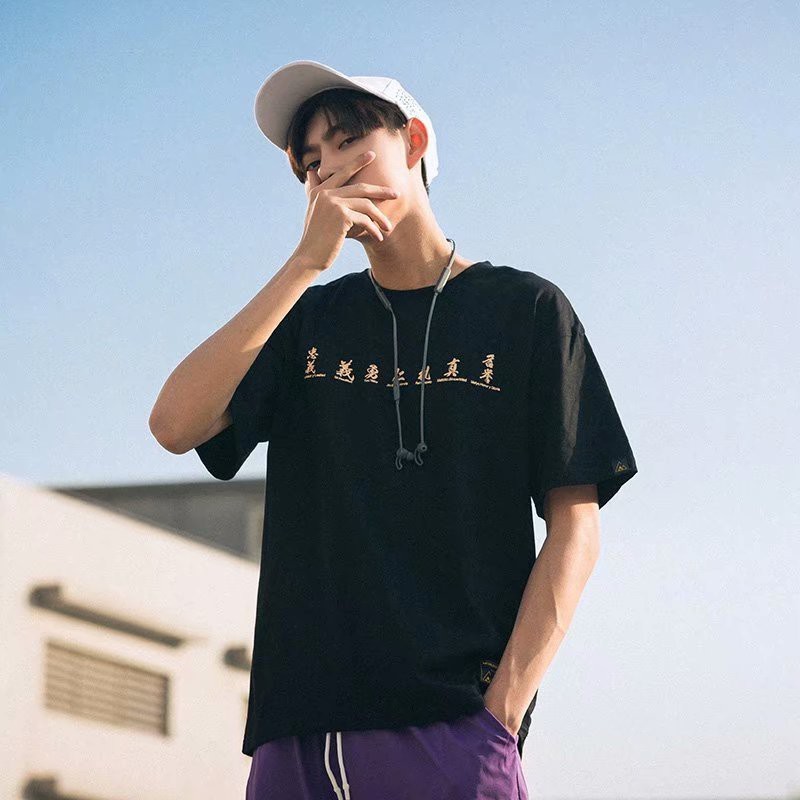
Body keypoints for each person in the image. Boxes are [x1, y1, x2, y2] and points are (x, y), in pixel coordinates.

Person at [149, 59, 639, 800]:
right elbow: (173, 424)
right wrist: (303, 264)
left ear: (413, 142)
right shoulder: (307, 319)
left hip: (452, 729)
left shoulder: (528, 312)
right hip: (296, 733)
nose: (330, 170)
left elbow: (577, 528)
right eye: (311, 162)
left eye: (349, 141)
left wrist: (500, 716)